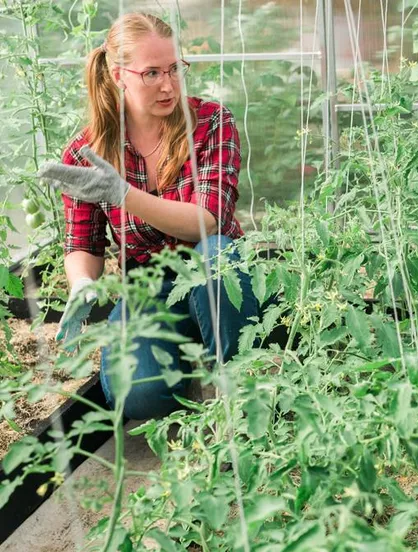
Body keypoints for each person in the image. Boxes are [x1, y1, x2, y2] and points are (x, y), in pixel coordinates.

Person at [38, 13, 258, 421]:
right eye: (152, 72)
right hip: (149, 287)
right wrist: (83, 283)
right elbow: (83, 242)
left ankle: (240, 382)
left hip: (213, 272)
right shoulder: (90, 150)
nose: (168, 85)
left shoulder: (210, 122)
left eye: (175, 69)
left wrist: (124, 195)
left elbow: (205, 221)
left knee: (218, 259)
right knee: (137, 397)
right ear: (119, 74)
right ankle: (187, 354)